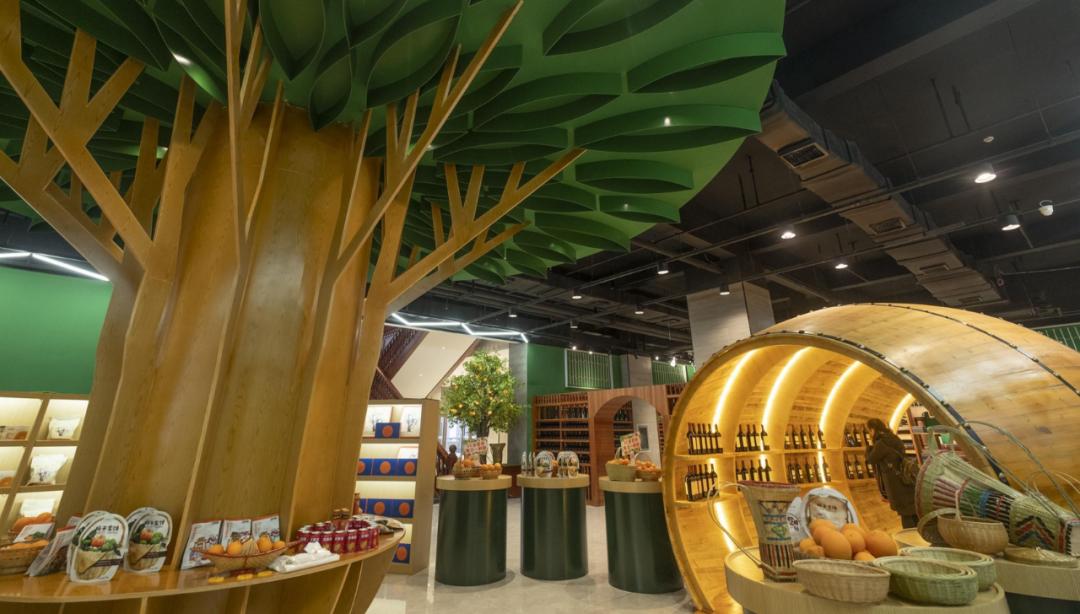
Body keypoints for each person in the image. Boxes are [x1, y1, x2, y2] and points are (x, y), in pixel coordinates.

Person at [866, 418, 918, 528]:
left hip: (896, 483)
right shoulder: (895, 438)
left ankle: (910, 537)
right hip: (907, 479)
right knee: (913, 512)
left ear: (873, 429)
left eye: (869, 431)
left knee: (905, 515)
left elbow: (871, 459)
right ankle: (921, 534)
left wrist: (869, 448)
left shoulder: (881, 443)